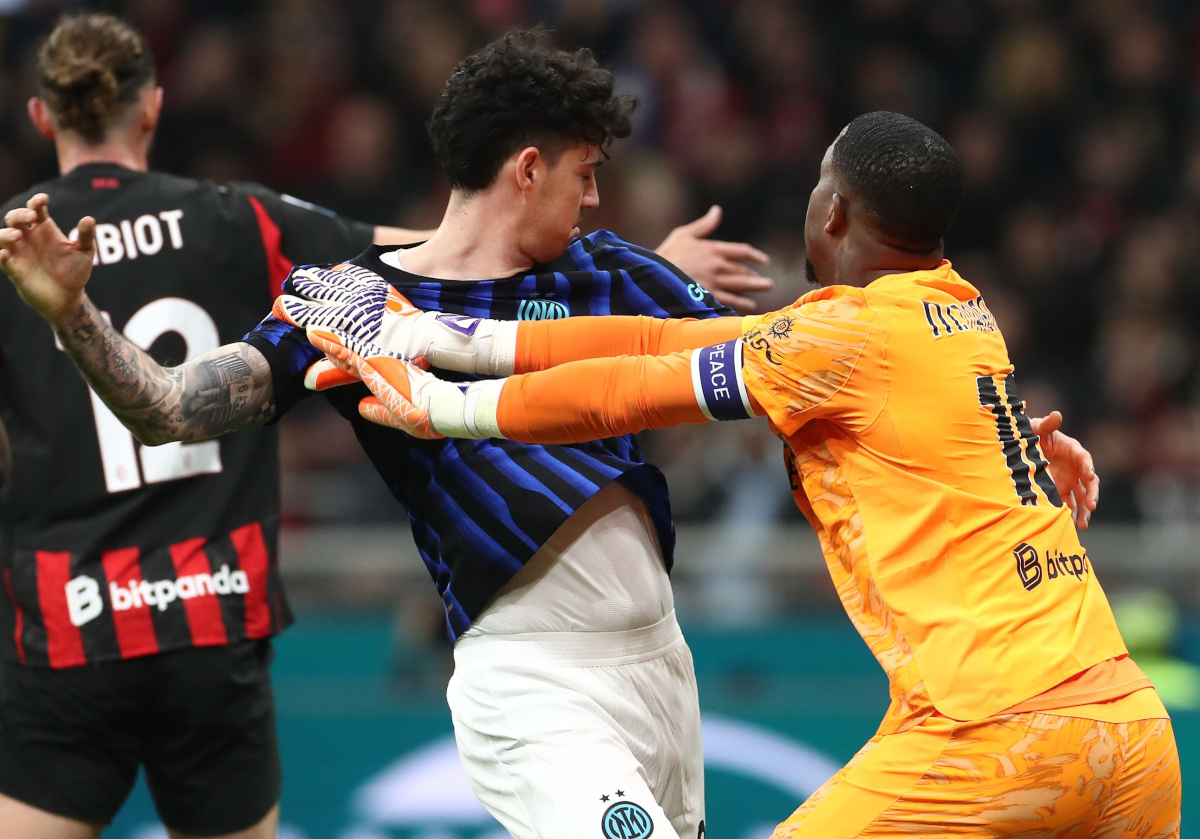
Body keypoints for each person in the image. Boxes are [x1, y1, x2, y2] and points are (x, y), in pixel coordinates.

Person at [264, 112, 1177, 838]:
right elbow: (665, 336)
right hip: (1134, 734)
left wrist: (443, 405)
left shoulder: (841, 335)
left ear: (831, 214)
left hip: (995, 734)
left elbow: (633, 383)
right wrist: (434, 335)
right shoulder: (965, 314)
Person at [0, 29, 796, 839]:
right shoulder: (349, 305)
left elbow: (782, 368)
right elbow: (168, 407)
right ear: (527, 169)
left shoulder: (610, 271)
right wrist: (72, 314)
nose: (594, 198)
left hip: (663, 659)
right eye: (585, 173)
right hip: (533, 675)